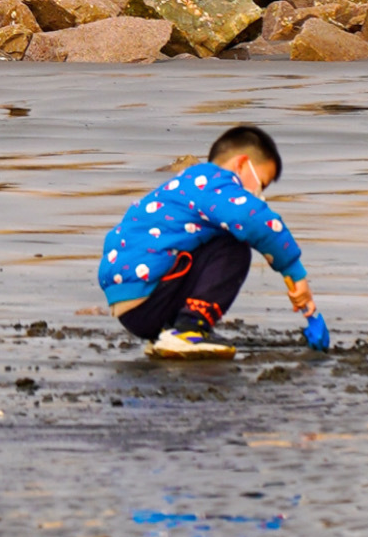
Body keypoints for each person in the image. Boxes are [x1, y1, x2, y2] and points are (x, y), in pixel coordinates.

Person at [98, 123, 317, 360]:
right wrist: (295, 273)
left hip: (132, 305)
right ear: (241, 164)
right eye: (261, 184)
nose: (259, 194)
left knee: (206, 240)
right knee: (234, 247)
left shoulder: (185, 184)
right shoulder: (214, 182)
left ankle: (169, 333)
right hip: (149, 298)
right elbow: (255, 220)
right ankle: (188, 330)